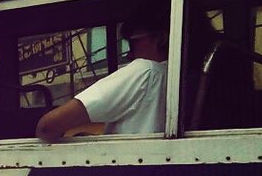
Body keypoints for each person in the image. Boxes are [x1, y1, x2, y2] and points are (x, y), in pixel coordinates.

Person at [35, 11, 169, 142]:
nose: (129, 55)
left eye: (133, 44)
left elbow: (46, 127)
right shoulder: (171, 76)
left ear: (161, 38)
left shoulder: (146, 71)